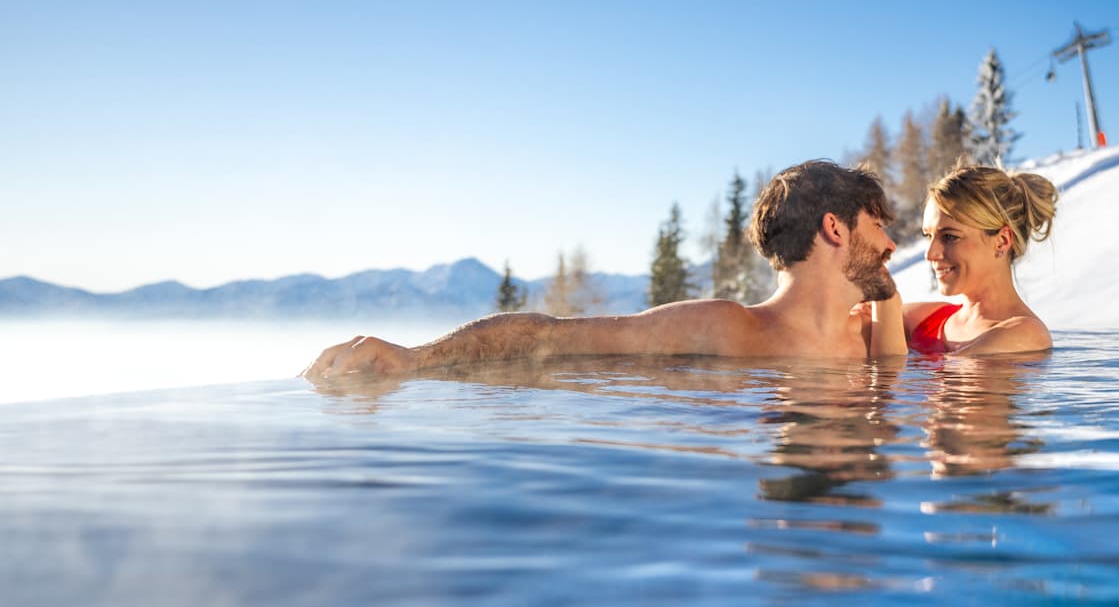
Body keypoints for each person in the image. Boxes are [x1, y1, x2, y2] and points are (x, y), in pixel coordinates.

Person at [302, 160, 899, 381]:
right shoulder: (730, 329)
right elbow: (552, 339)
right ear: (835, 228)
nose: (893, 244)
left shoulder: (878, 336)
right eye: (878, 225)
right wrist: (416, 359)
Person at [870, 163, 1058, 357]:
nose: (930, 254)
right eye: (929, 236)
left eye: (949, 237)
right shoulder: (921, 319)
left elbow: (945, 374)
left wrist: (884, 297)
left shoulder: (1027, 334)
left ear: (1002, 241)